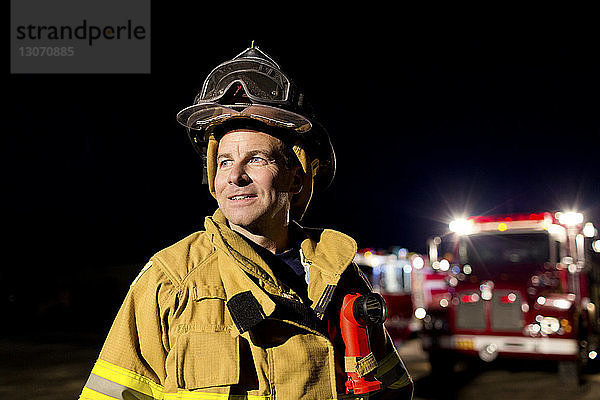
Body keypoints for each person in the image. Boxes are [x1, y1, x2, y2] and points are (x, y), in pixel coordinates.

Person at [79, 43, 413, 400]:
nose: (234, 176)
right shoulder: (171, 278)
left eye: (256, 160)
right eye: (223, 162)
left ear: (295, 179)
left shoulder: (338, 275)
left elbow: (391, 389)